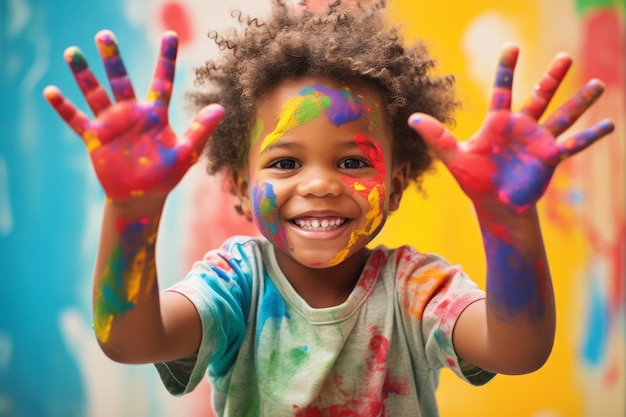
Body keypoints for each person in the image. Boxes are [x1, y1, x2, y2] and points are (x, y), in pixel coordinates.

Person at [43, 0, 615, 415]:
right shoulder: (237, 281)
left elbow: (518, 353)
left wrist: (508, 219)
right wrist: (132, 211)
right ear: (241, 188)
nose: (318, 185)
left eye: (352, 163)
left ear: (394, 186)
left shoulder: (418, 289)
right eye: (286, 163)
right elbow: (130, 341)